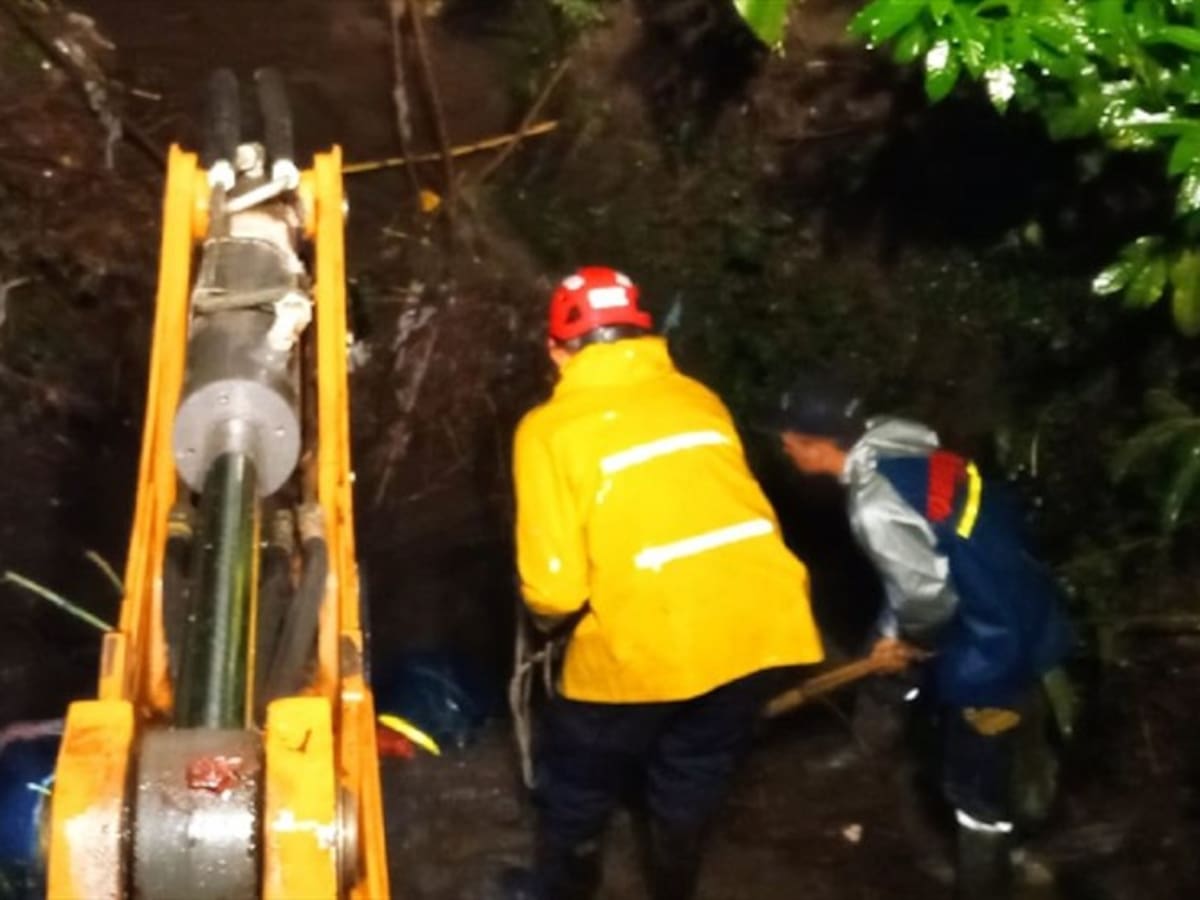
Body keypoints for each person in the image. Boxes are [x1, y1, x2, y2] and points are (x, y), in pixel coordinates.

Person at [501, 266, 824, 900]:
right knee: (694, 770)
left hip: (646, 642)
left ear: (556, 349)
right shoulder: (699, 398)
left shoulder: (547, 429)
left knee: (578, 778)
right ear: (643, 334)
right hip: (761, 629)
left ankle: (560, 890)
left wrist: (546, 627)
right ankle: (674, 889)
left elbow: (554, 591)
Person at [767, 377, 1074, 900]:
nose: (782, 447)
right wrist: (894, 636)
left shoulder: (875, 505)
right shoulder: (900, 442)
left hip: (991, 644)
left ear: (818, 446)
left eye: (788, 439)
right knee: (883, 643)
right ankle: (871, 745)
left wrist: (911, 641)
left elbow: (927, 602)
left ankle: (987, 875)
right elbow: (918, 573)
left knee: (973, 782)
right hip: (1018, 592)